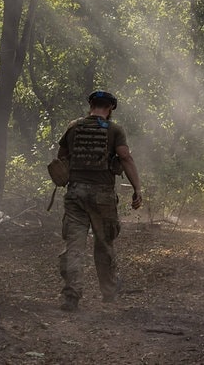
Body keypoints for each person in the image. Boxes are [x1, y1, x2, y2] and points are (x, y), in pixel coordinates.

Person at [55, 90, 142, 311]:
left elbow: (61, 157)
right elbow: (125, 157)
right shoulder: (114, 130)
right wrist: (137, 188)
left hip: (75, 193)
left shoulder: (74, 127)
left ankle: (71, 296)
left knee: (74, 245)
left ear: (91, 105)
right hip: (102, 195)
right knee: (103, 244)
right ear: (110, 108)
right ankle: (109, 292)